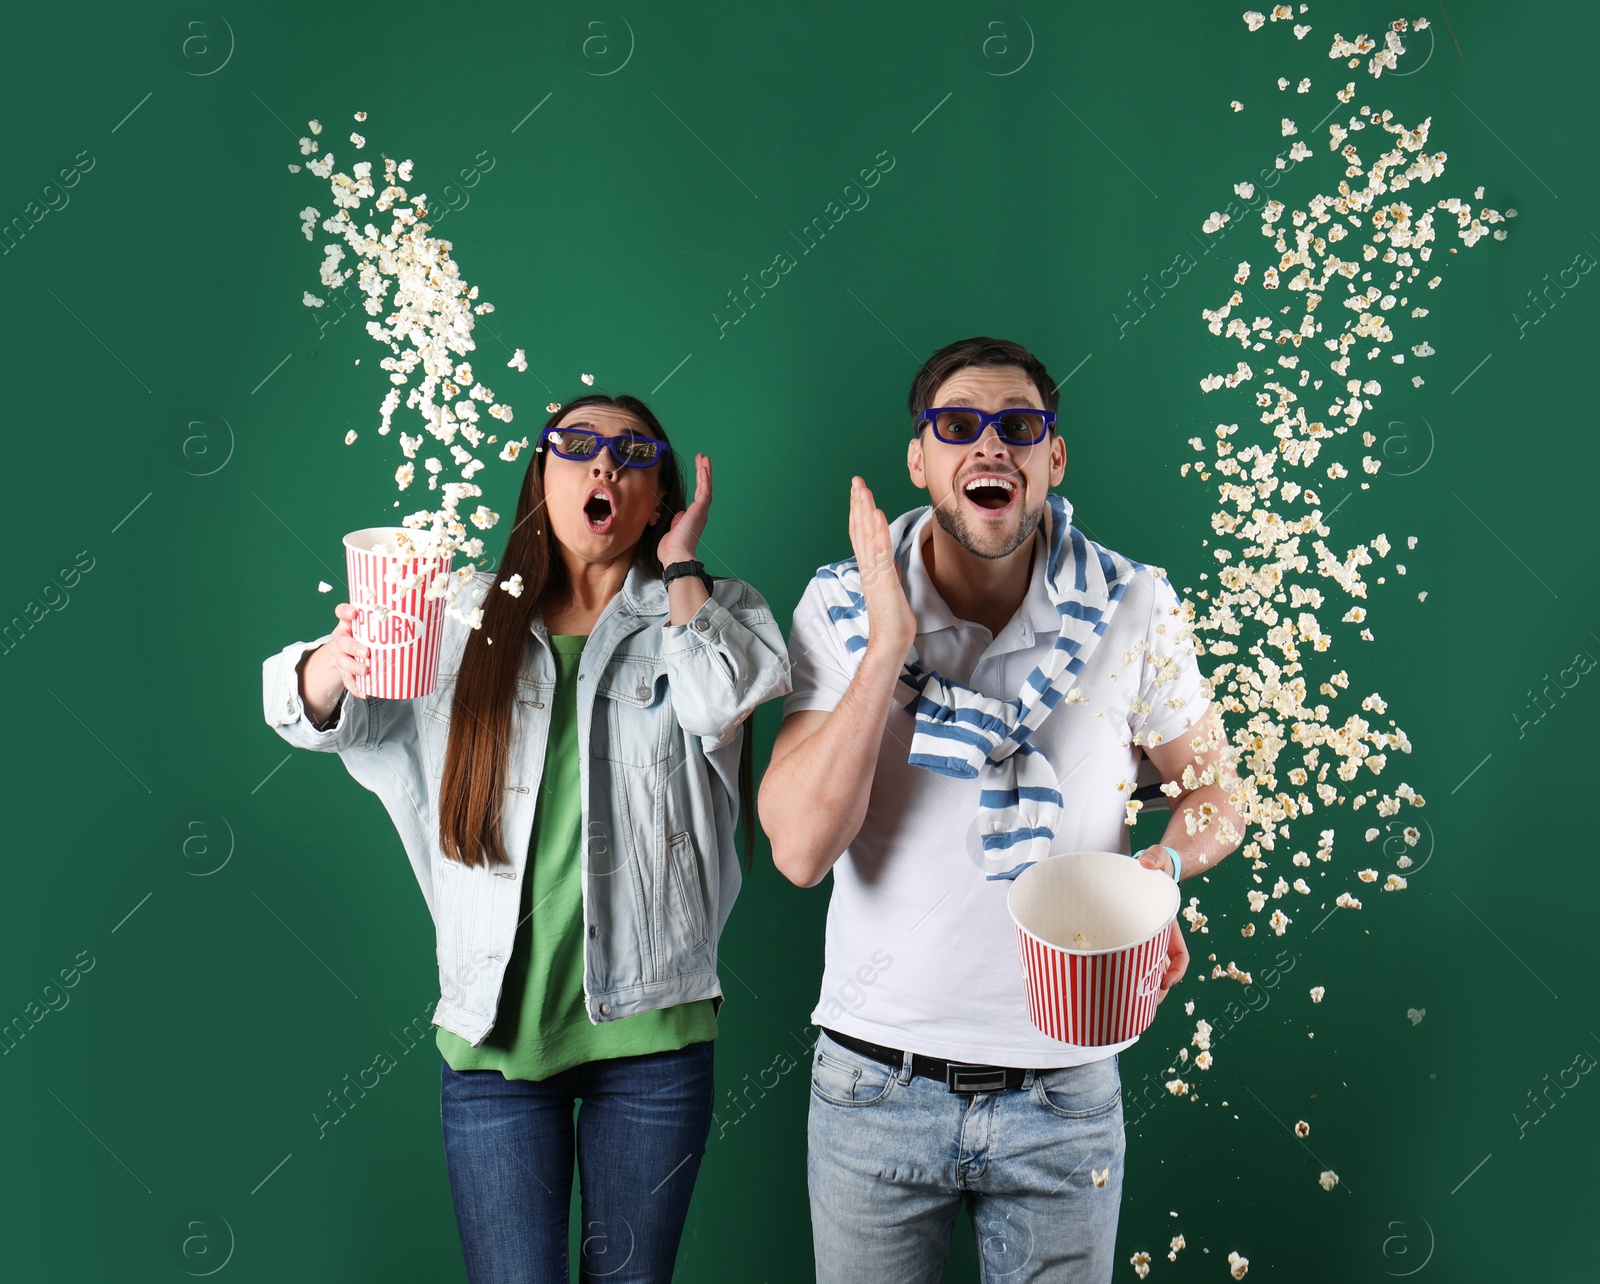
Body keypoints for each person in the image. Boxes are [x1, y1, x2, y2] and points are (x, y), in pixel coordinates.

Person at [262, 393, 790, 1283]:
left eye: (632, 453)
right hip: (492, 1041)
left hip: (653, 1039)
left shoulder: (709, 609)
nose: (604, 466)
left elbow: (716, 701)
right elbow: (309, 716)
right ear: (540, 478)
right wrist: (329, 667)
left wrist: (684, 565)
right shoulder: (457, 615)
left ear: (658, 494)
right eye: (576, 446)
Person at [759, 336, 1244, 1283]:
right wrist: (886, 645)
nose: (991, 446)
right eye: (958, 426)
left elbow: (1219, 794)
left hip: (1065, 1092)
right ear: (919, 458)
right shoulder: (840, 605)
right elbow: (800, 850)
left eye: (1019, 427)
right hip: (874, 1086)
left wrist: (1162, 871)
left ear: (1053, 458)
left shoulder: (1134, 604)